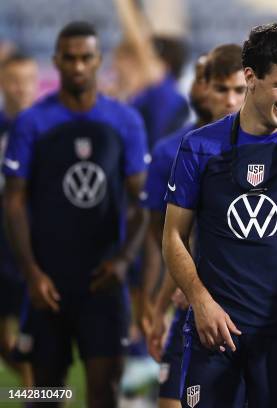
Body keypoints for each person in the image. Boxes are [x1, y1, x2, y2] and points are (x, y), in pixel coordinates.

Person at [162, 23, 277, 407]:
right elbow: (173, 238)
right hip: (214, 332)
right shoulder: (199, 147)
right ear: (251, 77)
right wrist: (200, 300)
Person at [2, 21, 148, 408]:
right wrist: (31, 273)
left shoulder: (125, 121)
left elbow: (142, 201)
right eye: (70, 58)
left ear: (98, 60)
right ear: (57, 62)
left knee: (104, 394)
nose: (78, 66)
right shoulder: (31, 122)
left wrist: (122, 261)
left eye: (86, 58)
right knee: (46, 396)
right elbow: (13, 201)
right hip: (47, 284)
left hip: (103, 283)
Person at [142, 43, 246, 408]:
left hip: (251, 306)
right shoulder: (179, 151)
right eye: (219, 86)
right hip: (193, 303)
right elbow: (172, 236)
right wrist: (161, 304)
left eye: (239, 90)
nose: (230, 99)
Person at [0, 52, 38, 387]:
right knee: (5, 345)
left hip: (33, 250)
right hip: (1, 248)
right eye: (14, 80)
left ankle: (43, 395)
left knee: (32, 344)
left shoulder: (47, 127)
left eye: (28, 81)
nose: (21, 88)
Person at [113, 0, 189, 149]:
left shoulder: (163, 92)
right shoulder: (151, 93)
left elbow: (138, 40)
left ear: (164, 65)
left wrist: (124, 5)